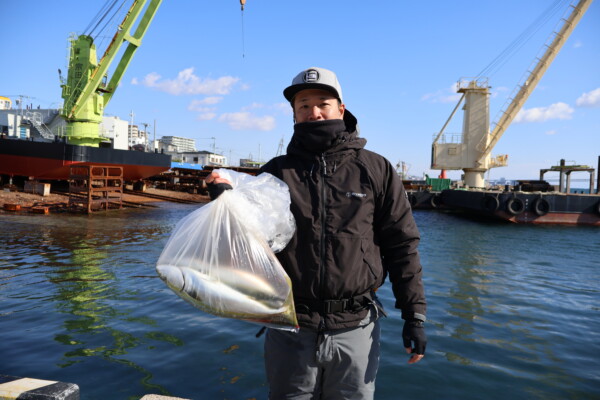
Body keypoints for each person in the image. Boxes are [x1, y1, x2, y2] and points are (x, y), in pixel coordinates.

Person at [206, 67, 426, 400]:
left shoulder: (376, 169)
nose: (314, 112)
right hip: (291, 325)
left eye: (322, 102)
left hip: (357, 325)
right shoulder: (276, 173)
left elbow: (402, 246)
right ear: (294, 114)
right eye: (303, 105)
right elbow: (248, 245)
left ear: (341, 108)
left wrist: (415, 316)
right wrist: (225, 204)